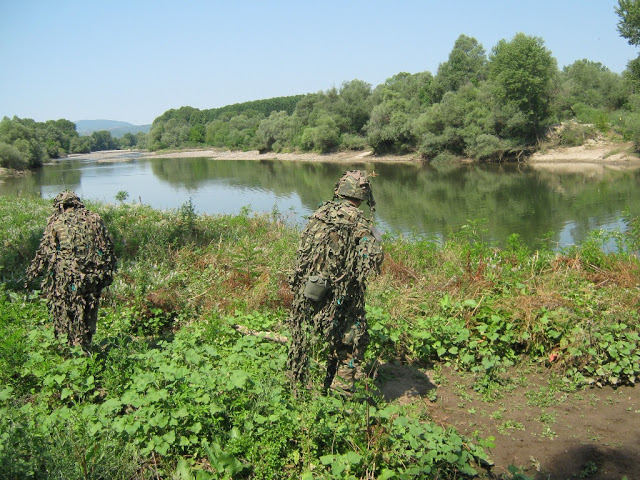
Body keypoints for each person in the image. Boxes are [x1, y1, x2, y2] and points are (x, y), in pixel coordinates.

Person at [287, 170, 384, 394]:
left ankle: (305, 384)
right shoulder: (359, 220)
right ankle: (341, 397)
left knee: (315, 338)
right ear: (363, 195)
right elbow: (373, 259)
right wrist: (374, 240)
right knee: (352, 342)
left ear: (340, 190)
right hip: (340, 293)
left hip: (310, 287)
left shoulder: (320, 212)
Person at [26, 191, 117, 351]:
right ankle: (86, 344)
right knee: (89, 308)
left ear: (59, 205)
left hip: (66, 278)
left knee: (67, 311)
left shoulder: (56, 221)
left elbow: (46, 251)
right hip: (92, 276)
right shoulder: (94, 218)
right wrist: (105, 274)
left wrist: (33, 274)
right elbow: (107, 247)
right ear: (77, 203)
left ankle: (71, 348)